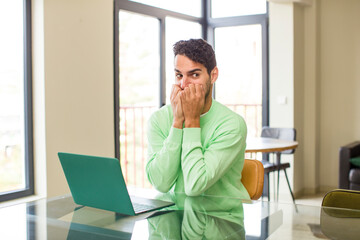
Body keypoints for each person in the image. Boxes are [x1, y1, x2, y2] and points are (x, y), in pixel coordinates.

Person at [146, 38, 249, 199]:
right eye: (179, 75)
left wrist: (192, 121)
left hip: (222, 217)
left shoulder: (232, 124)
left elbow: (195, 186)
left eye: (194, 75)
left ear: (213, 75)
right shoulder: (158, 119)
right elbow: (161, 184)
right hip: (175, 214)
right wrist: (177, 123)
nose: (184, 84)